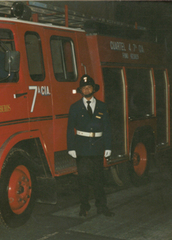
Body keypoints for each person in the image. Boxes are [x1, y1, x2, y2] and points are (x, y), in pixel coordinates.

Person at [67, 74, 114, 217]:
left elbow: (106, 128)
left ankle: (102, 207)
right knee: (83, 180)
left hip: (98, 147)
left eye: (89, 87)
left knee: (99, 179)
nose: (86, 90)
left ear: (93, 89)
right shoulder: (75, 107)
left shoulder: (102, 106)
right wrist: (71, 148)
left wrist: (108, 147)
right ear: (81, 91)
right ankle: (84, 207)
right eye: (84, 88)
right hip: (81, 147)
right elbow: (70, 129)